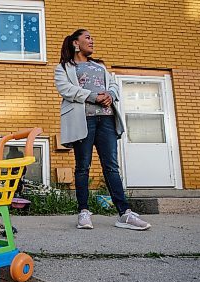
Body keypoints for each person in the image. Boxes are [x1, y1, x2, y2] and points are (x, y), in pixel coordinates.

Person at [54, 29, 151, 231]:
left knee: (111, 167)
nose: (92, 41)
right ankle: (83, 212)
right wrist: (93, 96)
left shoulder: (100, 66)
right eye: (87, 38)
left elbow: (114, 85)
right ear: (75, 43)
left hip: (106, 120)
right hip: (83, 121)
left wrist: (110, 95)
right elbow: (65, 89)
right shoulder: (64, 67)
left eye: (92, 38)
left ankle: (124, 214)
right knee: (83, 167)